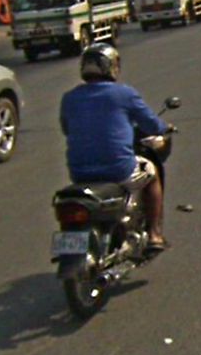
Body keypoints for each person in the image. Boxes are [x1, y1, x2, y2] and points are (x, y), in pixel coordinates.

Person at [60, 43, 171, 251]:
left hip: (79, 173)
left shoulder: (69, 98)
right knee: (151, 173)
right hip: (118, 169)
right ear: (111, 67)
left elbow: (67, 129)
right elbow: (152, 124)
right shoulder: (124, 94)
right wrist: (165, 128)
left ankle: (84, 243)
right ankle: (155, 234)